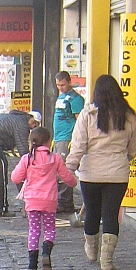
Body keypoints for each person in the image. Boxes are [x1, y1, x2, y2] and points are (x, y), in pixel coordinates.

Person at [66, 74, 136, 270]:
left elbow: (78, 146)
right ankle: (107, 260)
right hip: (118, 174)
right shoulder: (129, 116)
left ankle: (91, 249)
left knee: (92, 212)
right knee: (110, 215)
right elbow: (132, 149)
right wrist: (123, 160)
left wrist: (68, 168)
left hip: (91, 174)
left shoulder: (87, 114)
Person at [10, 126, 77, 270]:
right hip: (50, 201)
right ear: (49, 142)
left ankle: (32, 265)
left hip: (32, 201)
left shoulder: (27, 159)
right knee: (49, 229)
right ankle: (46, 252)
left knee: (34, 230)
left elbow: (15, 178)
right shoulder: (55, 158)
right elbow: (67, 178)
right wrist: (74, 182)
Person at [52, 71, 85, 212]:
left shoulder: (75, 99)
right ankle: (64, 200)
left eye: (63, 85)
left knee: (64, 170)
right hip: (58, 137)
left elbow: (80, 120)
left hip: (67, 137)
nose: (60, 87)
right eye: (58, 85)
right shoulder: (61, 97)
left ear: (69, 82)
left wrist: (75, 138)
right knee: (57, 168)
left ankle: (64, 202)